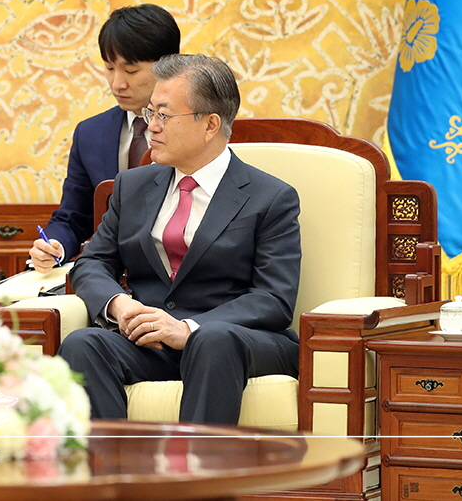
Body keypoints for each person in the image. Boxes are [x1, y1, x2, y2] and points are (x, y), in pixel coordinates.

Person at [58, 54, 301, 424]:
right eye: (149, 113)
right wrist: (121, 306)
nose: (151, 127)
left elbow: (274, 298)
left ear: (210, 125)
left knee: (213, 340)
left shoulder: (270, 197)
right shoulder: (132, 187)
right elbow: (92, 263)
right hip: (152, 342)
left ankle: (196, 478)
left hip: (235, 342)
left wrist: (188, 328)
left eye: (164, 116)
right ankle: (114, 476)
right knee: (82, 344)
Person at [29, 4, 181, 272]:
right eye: (110, 69)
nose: (117, 83)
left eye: (130, 71)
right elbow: (74, 218)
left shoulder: (194, 128)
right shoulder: (90, 134)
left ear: (167, 65)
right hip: (110, 275)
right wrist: (54, 245)